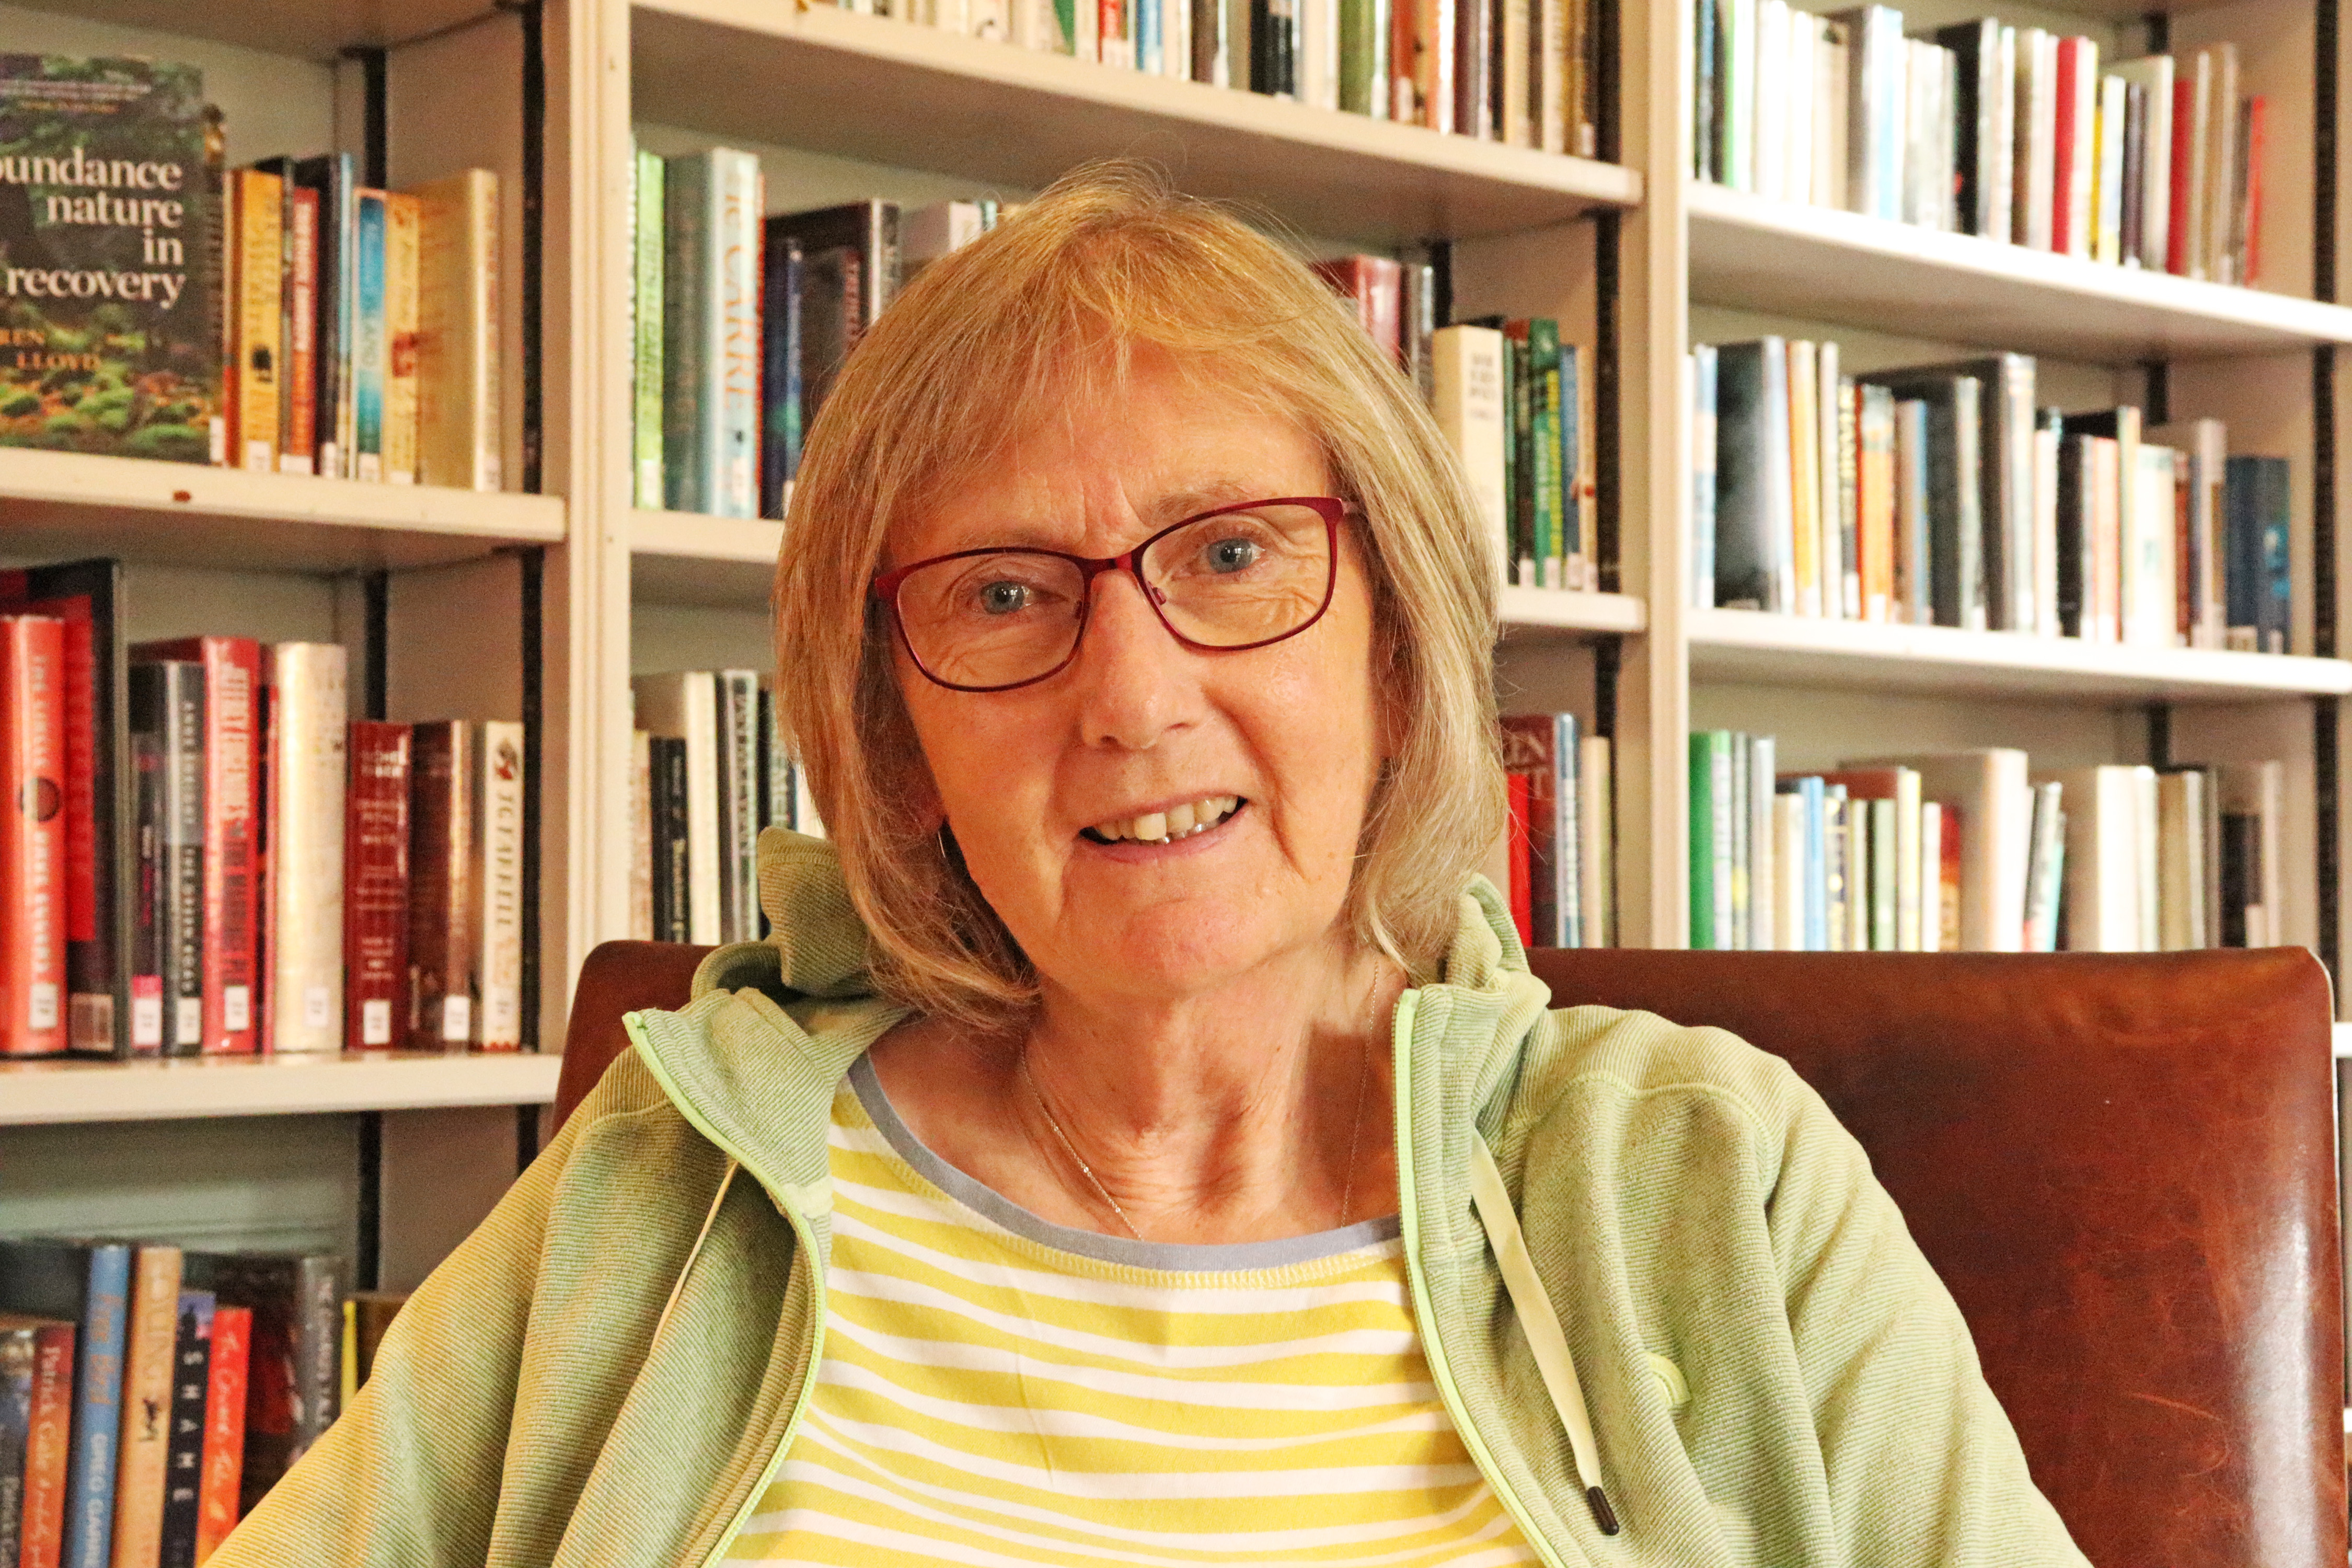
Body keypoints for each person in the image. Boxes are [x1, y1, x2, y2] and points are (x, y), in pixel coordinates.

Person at [214, 165, 2089, 1567]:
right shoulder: (688, 1166)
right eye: (1005, 595)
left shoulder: (1702, 1174)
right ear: (900, 733)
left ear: (1390, 632)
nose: (1130, 697)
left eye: (1230, 557)